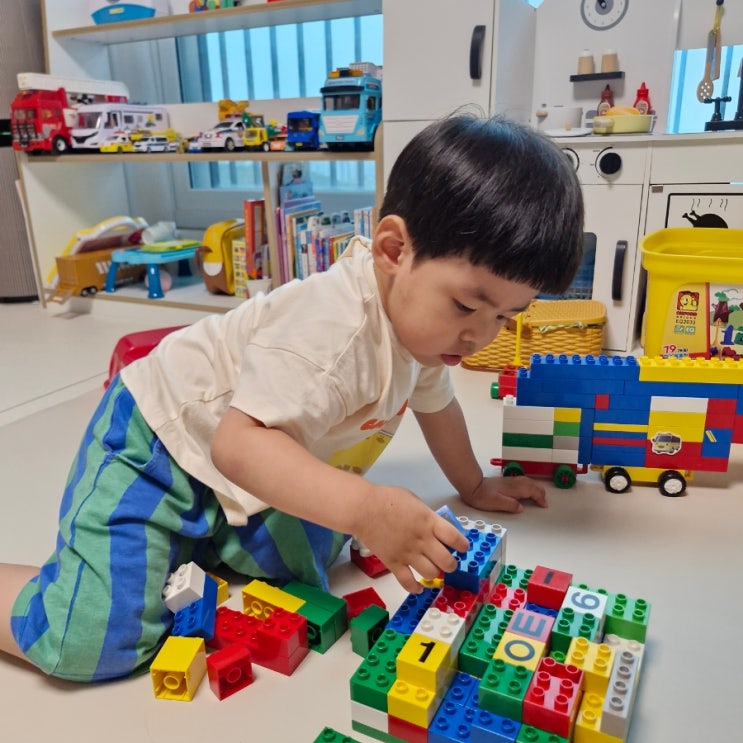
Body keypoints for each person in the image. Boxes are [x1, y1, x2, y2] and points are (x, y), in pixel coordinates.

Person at [0, 113, 584, 682]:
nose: (481, 336)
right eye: (466, 306)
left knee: (305, 567)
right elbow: (236, 446)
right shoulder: (330, 332)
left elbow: (439, 407)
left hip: (247, 460)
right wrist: (366, 509)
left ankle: (201, 536)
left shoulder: (426, 333)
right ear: (393, 250)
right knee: (95, 641)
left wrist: (473, 484)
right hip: (161, 447)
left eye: (505, 317)